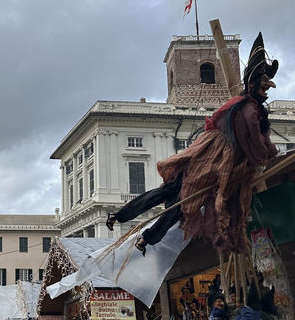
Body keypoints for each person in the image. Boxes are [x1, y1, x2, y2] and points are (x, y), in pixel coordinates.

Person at [106, 32, 278, 256]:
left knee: (171, 196)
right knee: (182, 203)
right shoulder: (248, 108)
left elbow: (259, 138)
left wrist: (268, 153)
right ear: (253, 82)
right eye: (264, 82)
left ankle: (124, 220)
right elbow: (255, 142)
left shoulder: (248, 106)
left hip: (198, 158)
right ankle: (141, 234)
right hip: (210, 161)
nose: (269, 85)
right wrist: (265, 158)